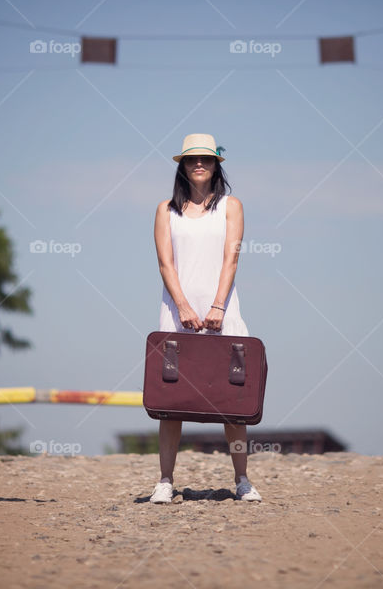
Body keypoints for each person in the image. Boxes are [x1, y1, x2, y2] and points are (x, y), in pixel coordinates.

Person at [150, 133, 262, 504]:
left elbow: (232, 257)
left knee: (232, 397)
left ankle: (242, 480)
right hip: (176, 311)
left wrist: (217, 306)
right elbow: (166, 262)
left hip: (223, 308)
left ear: (217, 165)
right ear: (181, 165)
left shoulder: (231, 206)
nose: (200, 164)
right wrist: (182, 306)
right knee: (172, 398)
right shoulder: (166, 209)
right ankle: (165, 481)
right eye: (192, 159)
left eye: (207, 159)